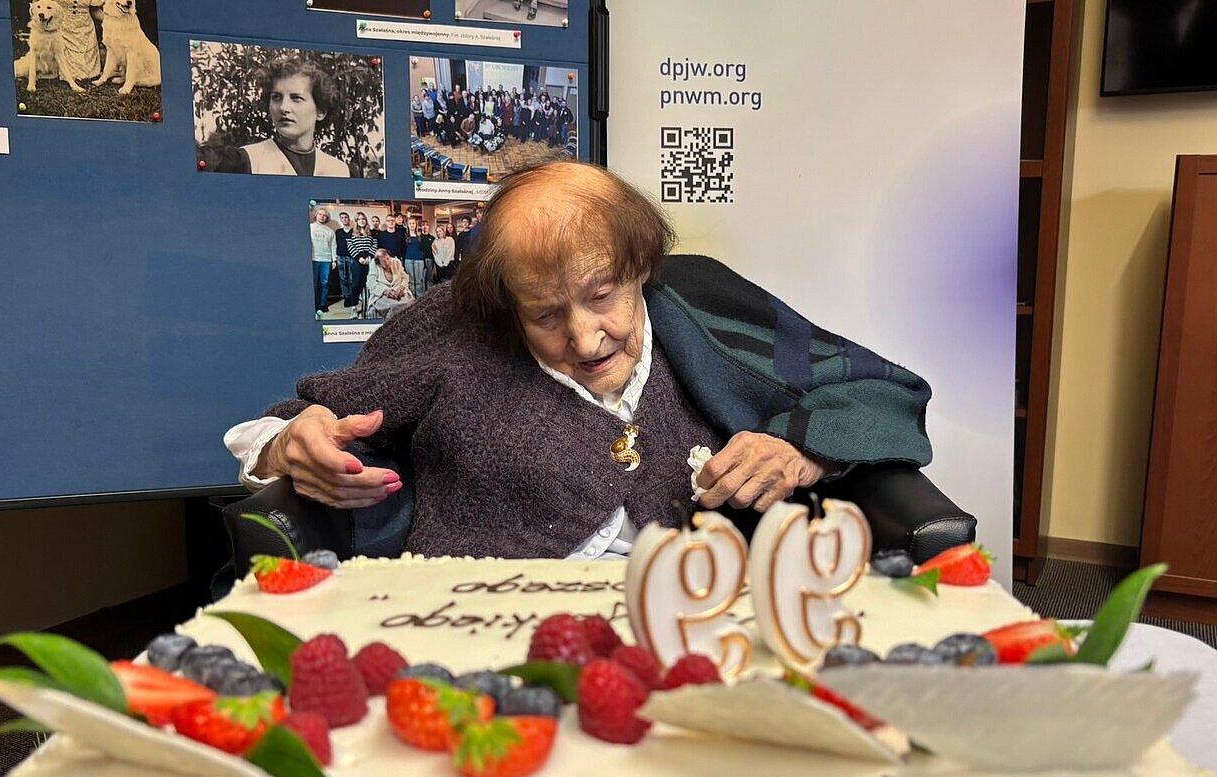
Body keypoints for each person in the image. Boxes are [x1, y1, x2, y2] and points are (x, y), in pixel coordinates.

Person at [224, 160, 932, 560]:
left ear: (641, 265)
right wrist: (289, 444)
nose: (587, 340)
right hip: (487, 622)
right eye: (545, 315)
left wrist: (800, 450)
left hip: (698, 613)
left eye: (602, 297)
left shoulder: (706, 301)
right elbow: (299, 421)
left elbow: (877, 389)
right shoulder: (457, 325)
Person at [208, 56, 348, 177]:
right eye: (276, 97)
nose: (283, 107)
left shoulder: (341, 171)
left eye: (296, 98)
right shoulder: (245, 162)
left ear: (321, 111)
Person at [362, 248, 413, 320]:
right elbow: (370, 282)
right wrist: (385, 291)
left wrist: (402, 287)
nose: (387, 262)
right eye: (383, 261)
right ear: (379, 263)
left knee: (408, 303)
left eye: (388, 258)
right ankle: (391, 324)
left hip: (398, 292)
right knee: (393, 306)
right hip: (382, 294)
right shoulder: (374, 264)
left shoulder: (396, 262)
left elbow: (405, 277)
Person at [345, 213, 376, 314]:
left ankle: (368, 307)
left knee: (368, 284)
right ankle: (354, 307)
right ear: (356, 221)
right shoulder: (351, 232)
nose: (361, 221)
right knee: (356, 285)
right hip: (357, 260)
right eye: (359, 219)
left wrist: (369, 256)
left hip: (369, 260)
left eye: (363, 219)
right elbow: (350, 246)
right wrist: (359, 258)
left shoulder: (370, 232)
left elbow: (374, 244)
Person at [310, 206, 337, 319]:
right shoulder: (310, 227)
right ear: (316, 215)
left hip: (326, 260)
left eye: (324, 215)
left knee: (324, 283)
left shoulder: (330, 231)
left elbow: (333, 246)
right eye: (320, 214)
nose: (322, 217)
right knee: (314, 283)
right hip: (313, 259)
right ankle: (314, 305)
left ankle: (323, 304)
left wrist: (334, 260)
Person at [333, 211, 357, 313]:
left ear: (349, 219)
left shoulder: (354, 231)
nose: (344, 219)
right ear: (340, 220)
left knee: (352, 279)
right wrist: (334, 259)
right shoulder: (338, 232)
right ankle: (346, 298)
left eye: (346, 217)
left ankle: (352, 298)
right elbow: (334, 245)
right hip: (341, 257)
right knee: (343, 279)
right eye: (342, 218)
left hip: (352, 257)